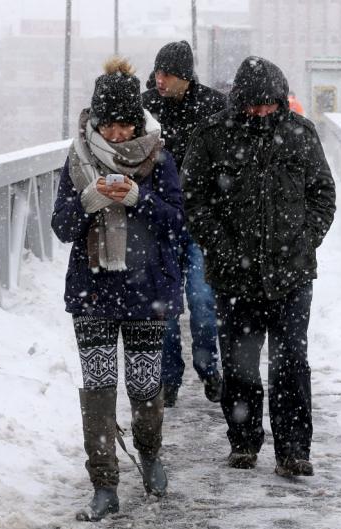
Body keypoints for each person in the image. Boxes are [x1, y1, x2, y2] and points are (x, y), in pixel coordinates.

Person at [181, 56, 336, 477]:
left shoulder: (301, 134)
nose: (263, 111)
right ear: (241, 101)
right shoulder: (213, 135)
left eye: (270, 103)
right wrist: (222, 249)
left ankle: (293, 451)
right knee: (240, 363)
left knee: (290, 364)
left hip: (292, 273)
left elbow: (323, 192)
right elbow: (194, 198)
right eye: (255, 104)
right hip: (235, 276)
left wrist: (306, 240)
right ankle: (244, 443)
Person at [51, 57, 184, 521]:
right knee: (100, 388)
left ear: (137, 121)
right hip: (93, 293)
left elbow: (177, 223)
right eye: (108, 126)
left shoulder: (159, 156)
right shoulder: (76, 159)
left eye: (125, 125)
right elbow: (61, 227)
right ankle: (104, 483)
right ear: (96, 122)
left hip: (147, 290)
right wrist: (89, 201)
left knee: (146, 387)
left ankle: (149, 455)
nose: (117, 135)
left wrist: (137, 198)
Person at [142, 40, 227, 407]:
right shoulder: (145, 107)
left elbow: (227, 163)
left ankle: (208, 368)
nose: (160, 80)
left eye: (168, 74)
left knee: (202, 300)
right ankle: (169, 377)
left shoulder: (214, 107)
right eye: (157, 72)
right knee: (165, 307)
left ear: (185, 77)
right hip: (160, 221)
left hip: (200, 221)